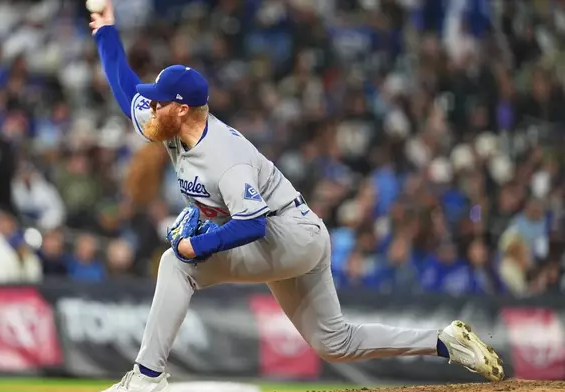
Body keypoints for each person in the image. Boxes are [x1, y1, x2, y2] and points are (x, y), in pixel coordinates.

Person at [89, 2, 504, 391]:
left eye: (159, 101)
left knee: (177, 264)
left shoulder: (223, 158)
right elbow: (126, 88)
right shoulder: (171, 125)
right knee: (335, 342)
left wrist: (196, 244)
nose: (150, 106)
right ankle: (444, 342)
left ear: (180, 109)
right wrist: (106, 29)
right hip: (300, 233)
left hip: (284, 233)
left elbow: (253, 223)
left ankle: (146, 379)